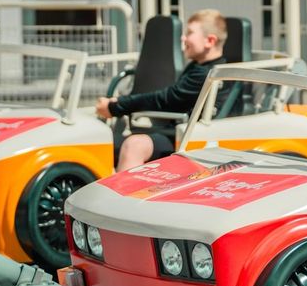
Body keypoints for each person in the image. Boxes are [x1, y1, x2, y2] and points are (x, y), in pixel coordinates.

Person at [96, 9, 230, 171]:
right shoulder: (199, 67)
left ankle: (120, 188)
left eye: (189, 33)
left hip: (186, 137)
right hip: (179, 131)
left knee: (135, 145)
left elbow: (166, 99)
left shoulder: (206, 74)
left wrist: (116, 106)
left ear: (209, 41)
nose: (183, 38)